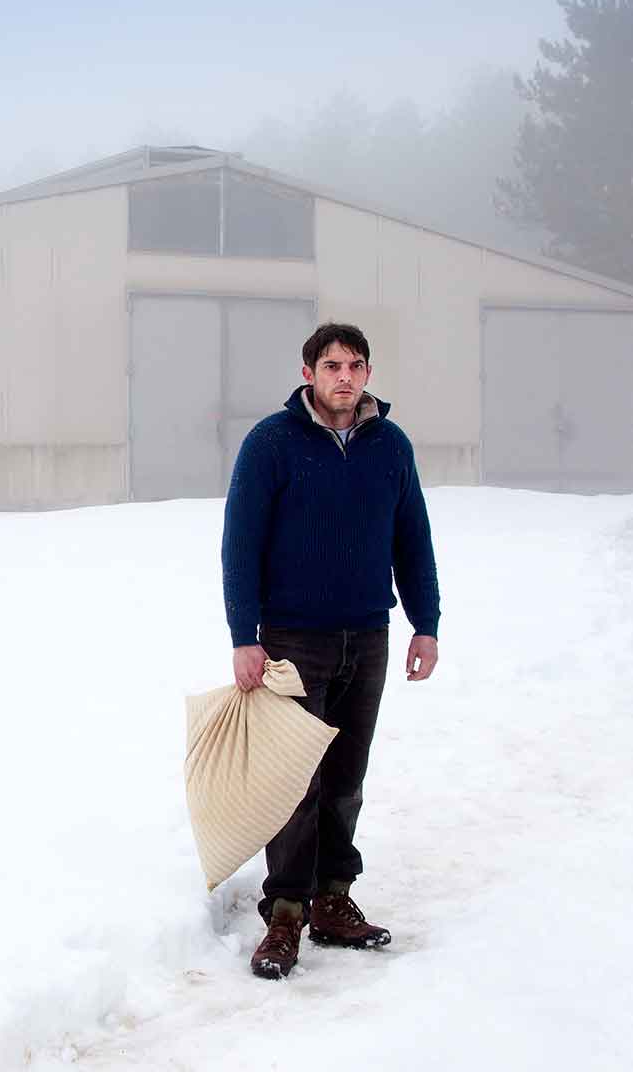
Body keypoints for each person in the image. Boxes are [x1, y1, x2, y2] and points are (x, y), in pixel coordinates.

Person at [219, 321, 440, 980]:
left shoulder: (390, 446)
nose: (345, 376)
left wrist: (424, 623)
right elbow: (241, 544)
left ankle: (333, 899)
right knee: (294, 784)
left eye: (356, 365)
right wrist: (243, 637)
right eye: (332, 365)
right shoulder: (273, 444)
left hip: (368, 635)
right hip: (292, 639)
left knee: (344, 780)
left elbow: (413, 538)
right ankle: (285, 912)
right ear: (308, 371)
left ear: (368, 374)